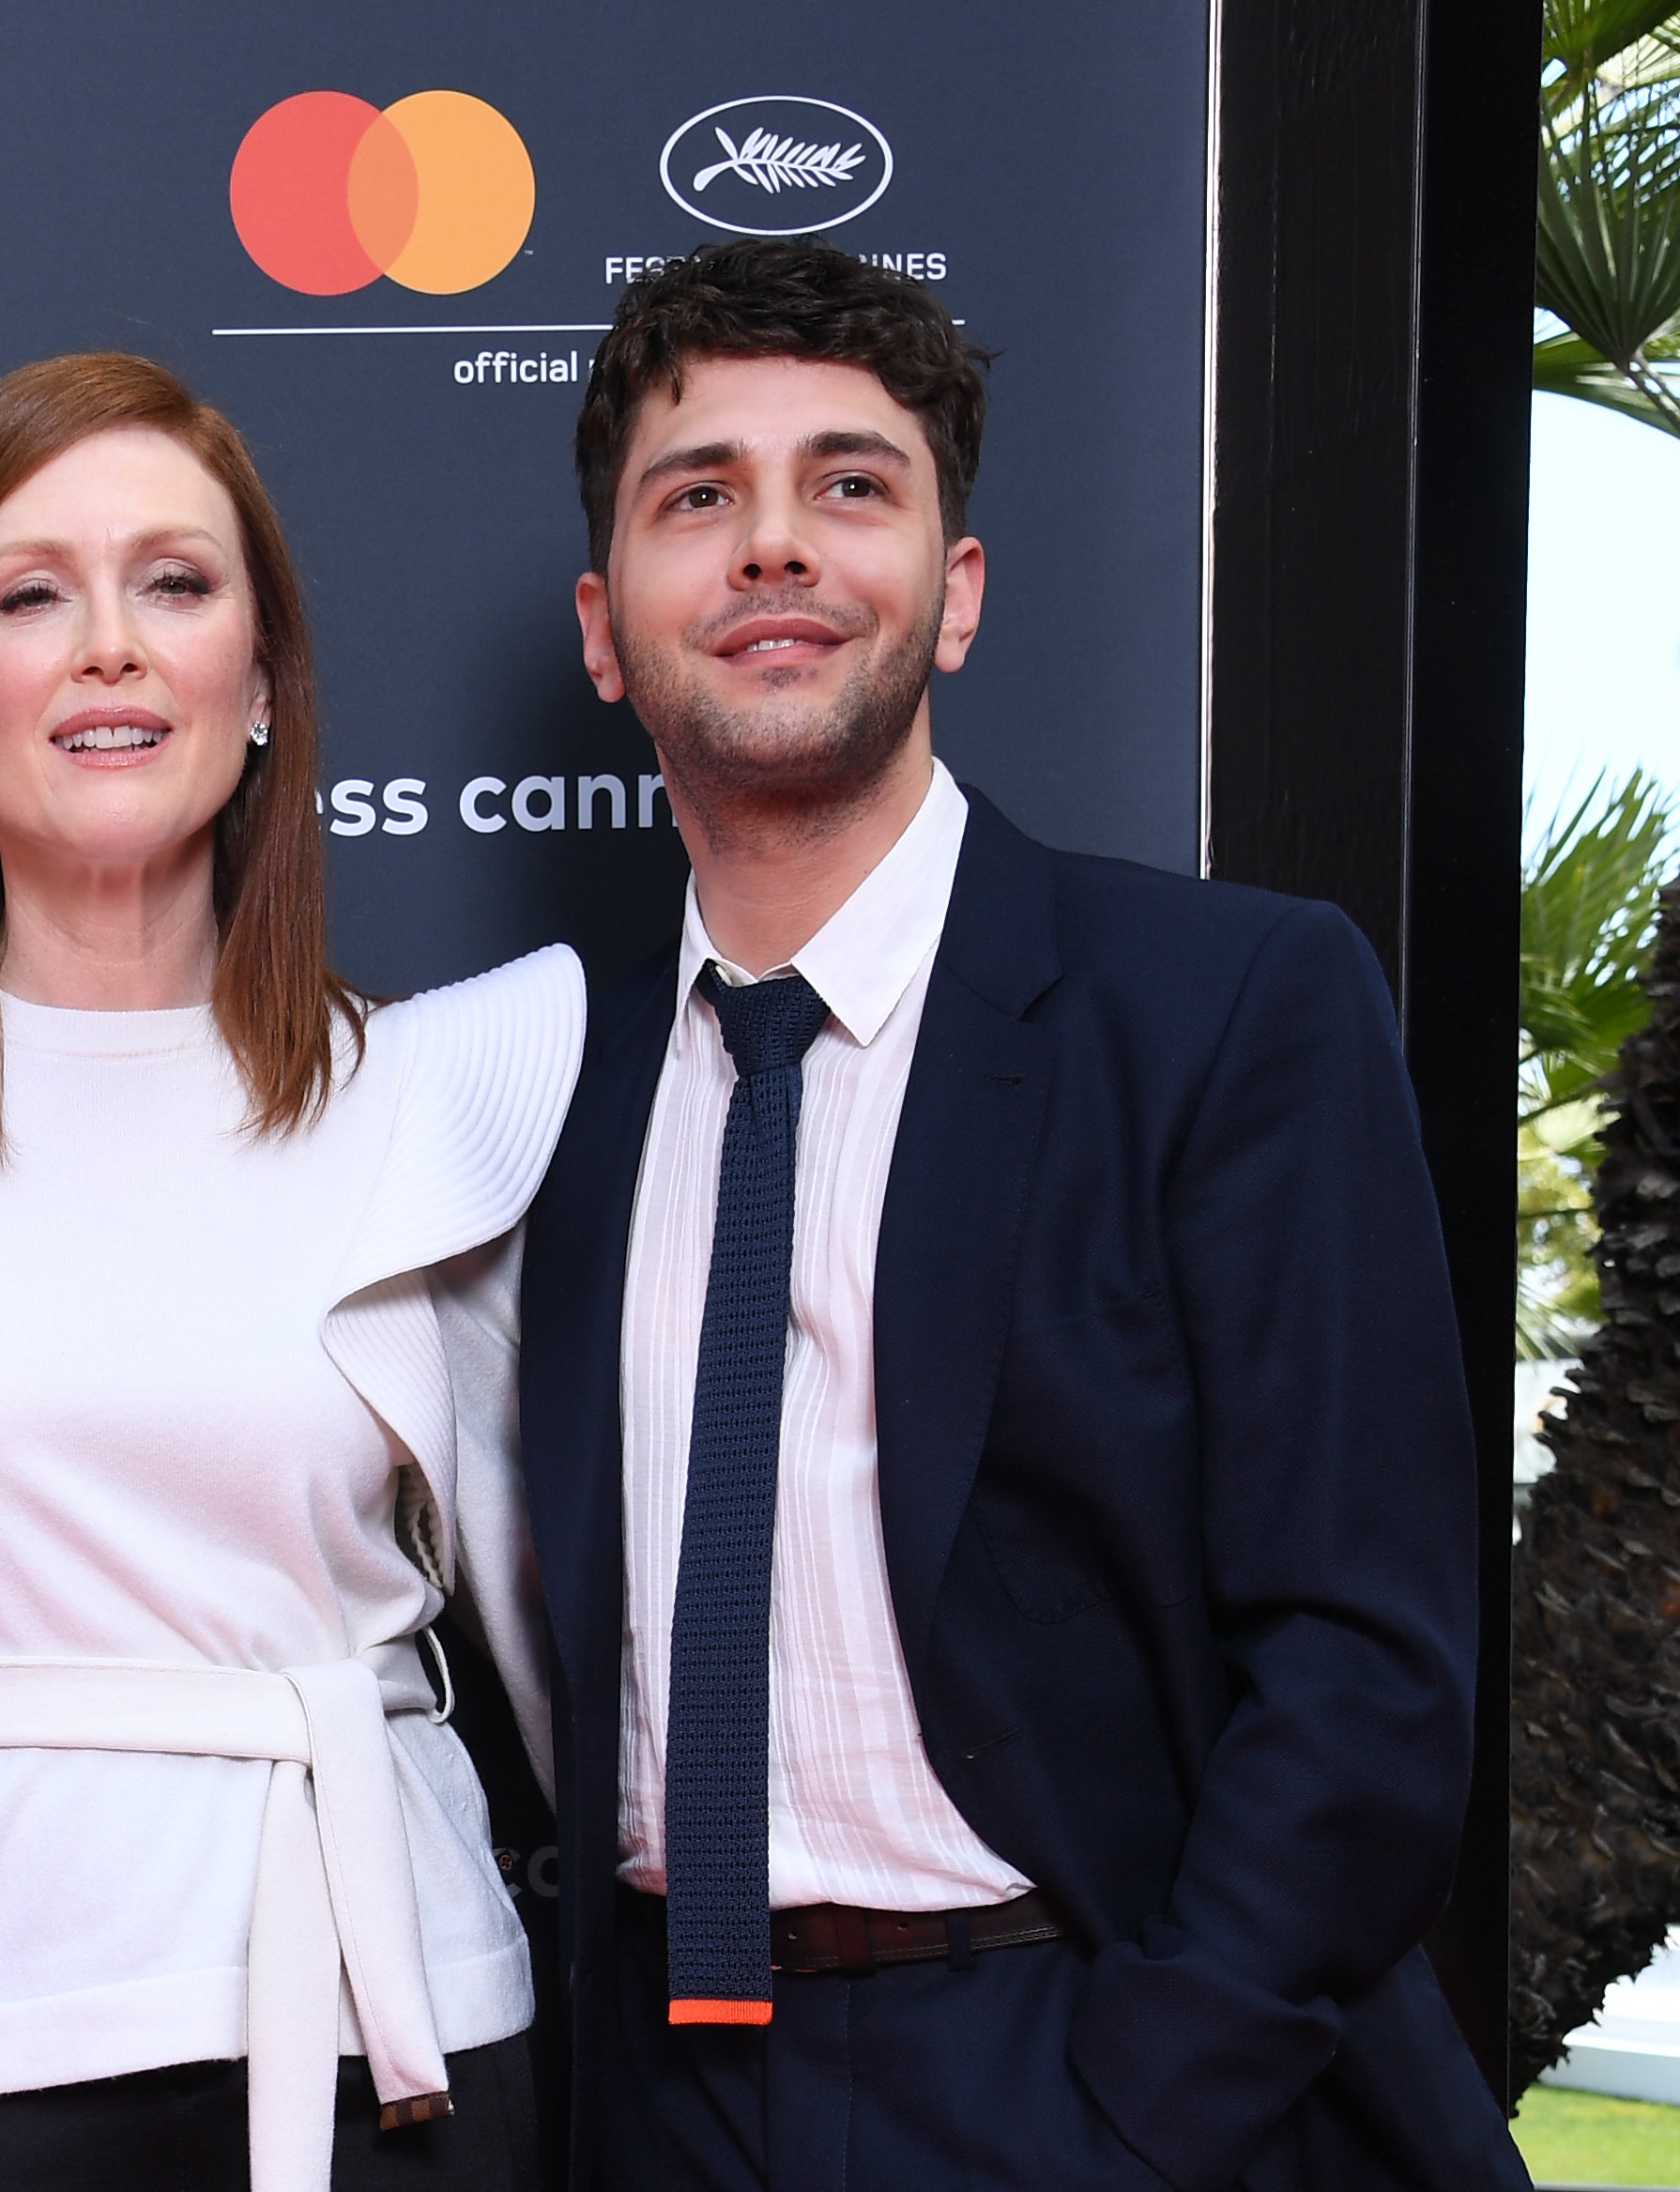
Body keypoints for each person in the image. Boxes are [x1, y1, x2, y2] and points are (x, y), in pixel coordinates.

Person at [517, 238, 1530, 2190]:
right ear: (601, 621)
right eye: (696, 495)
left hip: (1082, 2065)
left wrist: (1138, 2102)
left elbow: (1365, 1660)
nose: (771, 548)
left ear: (952, 593)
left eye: (850, 484)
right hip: (656, 2099)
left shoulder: (1223, 1007)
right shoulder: (538, 1090)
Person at [0, 352, 583, 2192]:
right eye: (33, 593)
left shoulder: (437, 1099)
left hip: (393, 2037)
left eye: (173, 584)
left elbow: (589, 1658)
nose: (109, 645)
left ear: (255, 682)